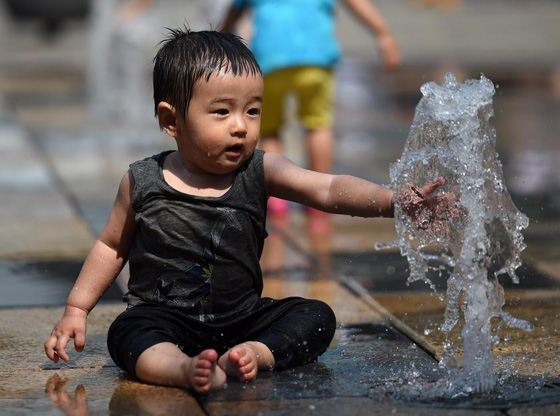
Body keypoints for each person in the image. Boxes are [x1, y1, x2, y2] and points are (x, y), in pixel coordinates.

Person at [44, 29, 444, 396]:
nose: (241, 127)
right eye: (222, 112)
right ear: (172, 120)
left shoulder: (259, 169)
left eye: (252, 111)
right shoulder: (143, 181)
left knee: (316, 316)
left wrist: (393, 201)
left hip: (242, 319)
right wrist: (77, 308)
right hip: (164, 318)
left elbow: (326, 187)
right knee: (127, 334)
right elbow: (112, 245)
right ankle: (183, 369)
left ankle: (254, 354)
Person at [223, 0, 402, 214]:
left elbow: (235, 10)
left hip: (270, 58)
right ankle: (319, 193)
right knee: (318, 126)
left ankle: (275, 197)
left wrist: (220, 40)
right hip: (315, 58)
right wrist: (383, 33)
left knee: (269, 129)